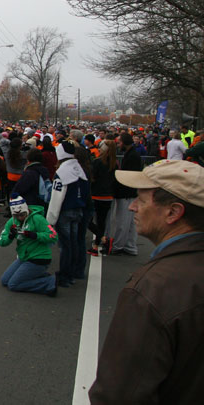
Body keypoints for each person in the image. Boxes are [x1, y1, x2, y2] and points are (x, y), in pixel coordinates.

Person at [89, 160, 204, 404]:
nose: (132, 207)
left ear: (173, 212)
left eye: (141, 200)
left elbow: (118, 394)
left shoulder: (153, 288)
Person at [45, 142, 90, 288]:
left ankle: (64, 276)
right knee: (74, 243)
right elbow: (85, 192)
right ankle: (72, 273)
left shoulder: (62, 172)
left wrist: (50, 219)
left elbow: (56, 197)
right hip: (78, 210)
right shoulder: (80, 170)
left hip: (65, 211)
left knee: (65, 246)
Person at [0, 195, 58, 296]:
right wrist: (10, 236)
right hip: (24, 257)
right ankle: (36, 275)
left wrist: (35, 235)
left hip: (39, 258)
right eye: (17, 216)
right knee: (5, 281)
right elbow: (1, 242)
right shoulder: (12, 222)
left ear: (26, 210)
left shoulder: (37, 218)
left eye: (22, 214)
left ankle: (49, 283)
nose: (20, 217)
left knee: (13, 285)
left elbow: (53, 236)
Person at [110, 132, 141, 256]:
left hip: (127, 192)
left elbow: (129, 175)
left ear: (124, 142)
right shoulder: (132, 154)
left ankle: (118, 245)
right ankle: (130, 246)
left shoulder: (132, 156)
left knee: (122, 221)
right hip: (131, 192)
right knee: (131, 222)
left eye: (119, 142)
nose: (118, 144)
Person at [88, 139, 116, 255]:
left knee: (87, 220)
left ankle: (102, 239)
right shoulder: (114, 163)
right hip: (108, 195)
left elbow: (92, 178)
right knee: (101, 221)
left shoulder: (97, 162)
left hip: (96, 194)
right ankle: (96, 245)